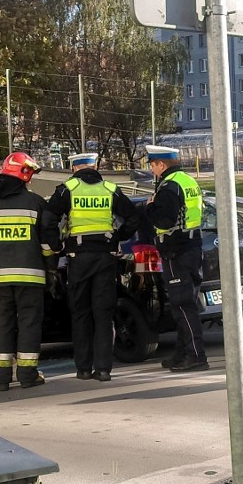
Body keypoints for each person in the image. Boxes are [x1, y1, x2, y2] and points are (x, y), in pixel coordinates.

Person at [42, 153, 140, 382]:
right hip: (105, 257)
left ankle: (83, 368)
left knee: (80, 313)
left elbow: (48, 219)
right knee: (103, 313)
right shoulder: (110, 189)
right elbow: (132, 218)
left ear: (74, 168)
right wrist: (116, 238)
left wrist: (57, 246)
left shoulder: (68, 189)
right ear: (94, 167)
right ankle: (104, 369)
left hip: (78, 257)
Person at [0, 152, 55, 391]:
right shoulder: (36, 203)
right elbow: (47, 244)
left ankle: (1, 379)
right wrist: (51, 270)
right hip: (31, 278)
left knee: (2, 325)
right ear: (25, 174)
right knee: (29, 324)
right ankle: (28, 375)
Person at [144, 145, 209, 372]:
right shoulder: (188, 181)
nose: (152, 170)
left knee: (182, 305)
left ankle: (196, 355)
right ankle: (181, 354)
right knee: (187, 303)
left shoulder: (168, 188)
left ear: (161, 164)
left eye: (152, 166)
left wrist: (149, 208)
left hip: (176, 252)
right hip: (192, 247)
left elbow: (164, 221)